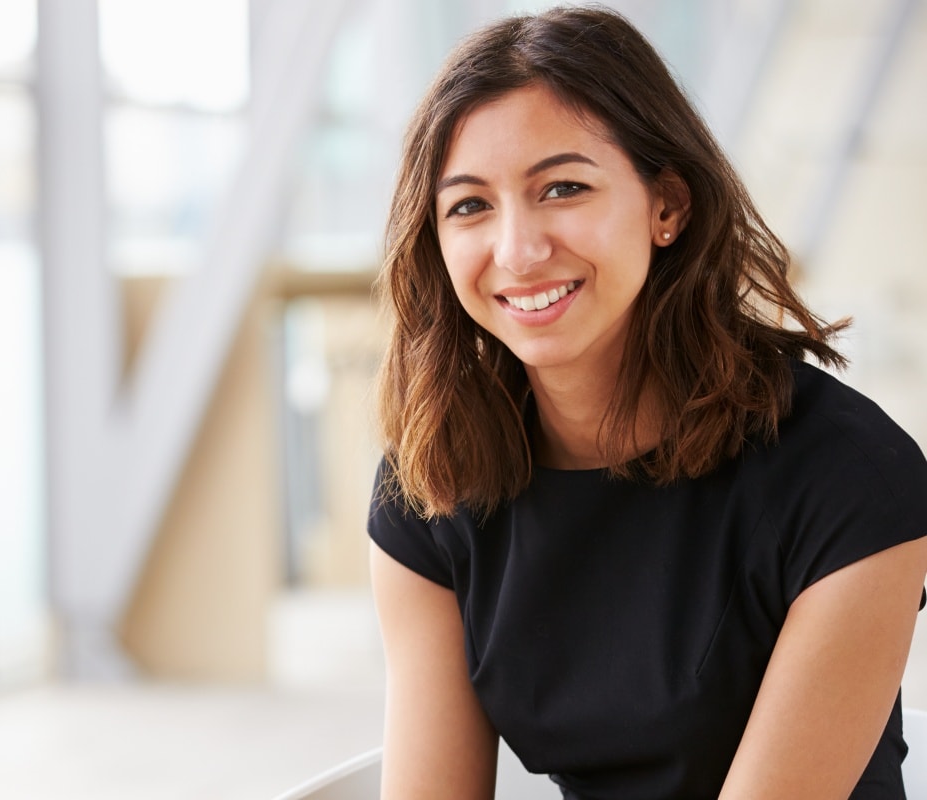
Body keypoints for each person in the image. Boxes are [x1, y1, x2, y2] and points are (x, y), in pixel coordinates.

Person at [366, 6, 927, 799]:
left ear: (668, 206)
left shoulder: (850, 475)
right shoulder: (435, 480)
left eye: (562, 188)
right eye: (470, 206)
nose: (518, 251)